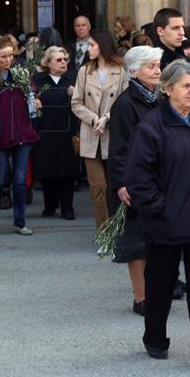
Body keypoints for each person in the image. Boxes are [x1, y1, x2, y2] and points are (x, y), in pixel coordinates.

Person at [126, 60, 190, 374]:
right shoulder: (151, 126)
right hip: (166, 223)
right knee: (159, 285)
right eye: (186, 85)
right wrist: (160, 209)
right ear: (168, 88)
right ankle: (155, 338)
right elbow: (139, 178)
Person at [107, 46, 163, 316]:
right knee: (137, 242)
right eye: (151, 66)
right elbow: (118, 149)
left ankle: (157, 290)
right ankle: (141, 297)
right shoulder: (126, 104)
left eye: (158, 65)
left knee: (157, 240)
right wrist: (121, 184)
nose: (157, 70)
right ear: (134, 71)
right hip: (135, 182)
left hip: (158, 179)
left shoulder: (160, 99)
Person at [71, 29, 128, 229]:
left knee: (115, 186)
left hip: (112, 135)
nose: (88, 48)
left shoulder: (121, 71)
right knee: (98, 187)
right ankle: (103, 229)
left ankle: (118, 227)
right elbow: (76, 102)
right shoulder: (84, 71)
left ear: (103, 46)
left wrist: (106, 118)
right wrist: (94, 117)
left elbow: (124, 103)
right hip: (90, 135)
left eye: (92, 44)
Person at [0, 36, 39, 235]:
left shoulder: (20, 72)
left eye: (10, 55)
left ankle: (20, 221)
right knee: (0, 176)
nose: (8, 60)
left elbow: (32, 94)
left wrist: (35, 102)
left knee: (20, 179)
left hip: (22, 131)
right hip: (1, 133)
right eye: (3, 56)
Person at [32, 46, 79, 220]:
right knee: (47, 168)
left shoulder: (74, 78)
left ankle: (67, 207)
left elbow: (87, 100)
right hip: (45, 128)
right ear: (48, 63)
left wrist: (77, 95)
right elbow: (27, 102)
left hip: (68, 129)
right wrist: (33, 103)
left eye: (65, 59)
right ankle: (49, 205)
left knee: (68, 170)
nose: (63, 62)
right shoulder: (38, 79)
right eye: (58, 60)